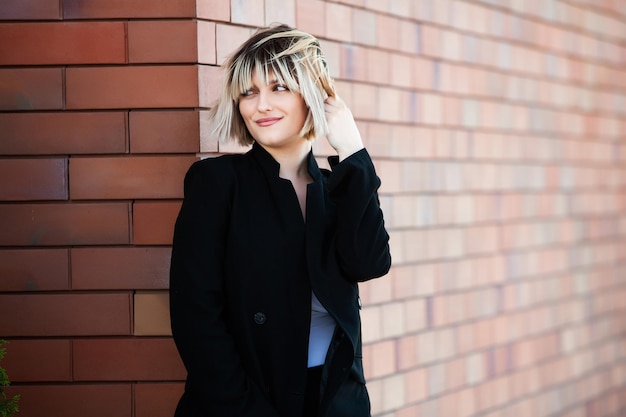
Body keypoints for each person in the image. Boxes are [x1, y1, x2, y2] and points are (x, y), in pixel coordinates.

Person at [169, 24, 391, 417]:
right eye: (248, 92)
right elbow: (196, 317)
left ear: (315, 94)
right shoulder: (218, 184)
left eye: (279, 88)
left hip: (332, 401)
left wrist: (351, 148)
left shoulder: (334, 188)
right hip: (243, 403)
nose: (261, 105)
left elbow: (368, 262)